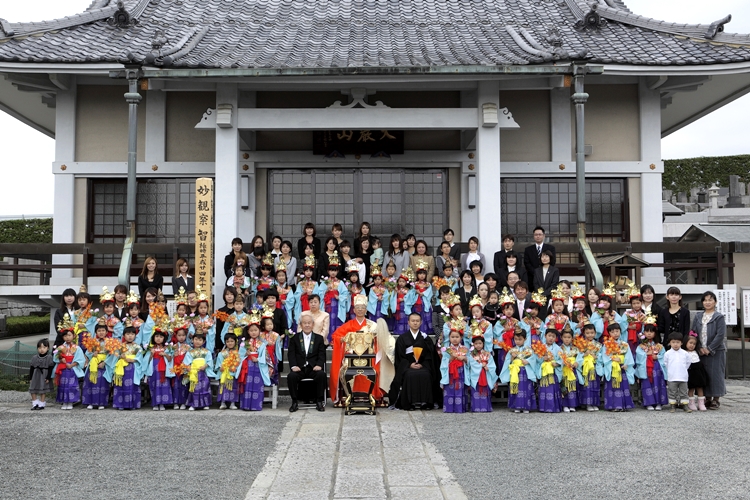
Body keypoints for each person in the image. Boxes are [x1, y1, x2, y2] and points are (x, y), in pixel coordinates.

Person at [388, 313, 437, 410]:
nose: (415, 323)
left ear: (421, 322)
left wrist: (422, 364)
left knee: (426, 374)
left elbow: (430, 356)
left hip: (423, 366)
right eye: (413, 321)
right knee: (409, 375)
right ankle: (409, 403)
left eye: (417, 321)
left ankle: (426, 402)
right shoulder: (402, 338)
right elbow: (400, 356)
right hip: (407, 366)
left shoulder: (425, 338)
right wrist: (410, 364)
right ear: (408, 322)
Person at [692, 291, 726, 410]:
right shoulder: (698, 316)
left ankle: (716, 399)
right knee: (704, 374)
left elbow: (720, 335)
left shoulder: (719, 317)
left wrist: (710, 348)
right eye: (705, 300)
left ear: (715, 302)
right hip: (701, 350)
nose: (707, 302)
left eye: (710, 300)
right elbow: (693, 332)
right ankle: (706, 398)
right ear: (702, 302)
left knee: (716, 374)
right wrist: (699, 347)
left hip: (716, 351)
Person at [288, 312, 328, 412]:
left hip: (313, 368)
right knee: (291, 376)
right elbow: (291, 354)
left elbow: (322, 354)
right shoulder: (294, 338)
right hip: (300, 368)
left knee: (321, 375)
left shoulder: (319, 338)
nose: (307, 325)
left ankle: (319, 401)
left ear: (313, 324)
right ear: (301, 325)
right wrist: (293, 366)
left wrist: (319, 365)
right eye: (304, 323)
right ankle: (294, 401)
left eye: (309, 323)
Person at [598, 324, 635, 412]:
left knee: (623, 387)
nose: (615, 333)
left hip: (622, 367)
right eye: (613, 332)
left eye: (617, 331)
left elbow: (628, 356)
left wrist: (626, 364)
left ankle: (623, 405)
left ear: (620, 332)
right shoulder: (606, 345)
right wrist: (614, 360)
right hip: (612, 368)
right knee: (612, 387)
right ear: (609, 333)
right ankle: (613, 406)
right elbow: (605, 357)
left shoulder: (624, 344)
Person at [499, 329, 538, 413]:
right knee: (515, 388)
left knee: (526, 389)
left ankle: (527, 407)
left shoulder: (529, 350)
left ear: (525, 339)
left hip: (525, 371)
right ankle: (516, 406)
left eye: (520, 339)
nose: (518, 341)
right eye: (516, 339)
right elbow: (507, 362)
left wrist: (528, 361)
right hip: (515, 372)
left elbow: (534, 359)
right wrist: (512, 358)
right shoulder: (512, 350)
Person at [106, 326, 144, 410]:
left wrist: (130, 359)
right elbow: (115, 356)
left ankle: (133, 404)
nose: (130, 336)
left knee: (132, 385)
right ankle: (120, 404)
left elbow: (140, 358)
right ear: (123, 335)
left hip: (133, 367)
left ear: (135, 335)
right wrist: (119, 356)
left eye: (132, 334)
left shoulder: (138, 347)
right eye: (127, 334)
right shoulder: (120, 346)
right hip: (121, 368)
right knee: (120, 384)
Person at [238, 317, 271, 411]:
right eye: (251, 330)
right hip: (247, 365)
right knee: (247, 385)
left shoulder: (262, 344)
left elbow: (265, 357)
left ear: (259, 331)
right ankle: (246, 405)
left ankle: (256, 405)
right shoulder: (245, 343)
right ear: (248, 331)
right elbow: (239, 355)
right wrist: (245, 354)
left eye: (255, 330)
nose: (253, 332)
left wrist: (258, 359)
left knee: (257, 386)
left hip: (258, 365)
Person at [635, 320, 668, 411]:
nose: (649, 334)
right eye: (647, 331)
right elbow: (639, 356)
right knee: (647, 384)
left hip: (657, 367)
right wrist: (647, 355)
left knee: (658, 383)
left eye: (651, 331)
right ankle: (648, 403)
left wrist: (657, 357)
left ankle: (659, 402)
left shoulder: (659, 346)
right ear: (644, 332)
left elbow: (664, 356)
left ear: (655, 333)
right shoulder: (641, 346)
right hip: (645, 367)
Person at [53, 327, 84, 410]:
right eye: (65, 336)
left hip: (72, 368)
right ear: (63, 337)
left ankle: (70, 402)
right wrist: (60, 359)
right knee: (63, 385)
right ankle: (64, 401)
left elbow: (81, 359)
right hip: (63, 368)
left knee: (72, 385)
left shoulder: (77, 348)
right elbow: (55, 358)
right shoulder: (60, 347)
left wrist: (73, 364)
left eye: (69, 335)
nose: (67, 337)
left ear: (73, 336)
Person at [82, 321, 110, 410]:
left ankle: (101, 402)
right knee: (90, 382)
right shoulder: (92, 341)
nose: (101, 332)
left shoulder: (110, 342)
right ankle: (90, 402)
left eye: (103, 330)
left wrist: (104, 362)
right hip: (93, 364)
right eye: (99, 331)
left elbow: (112, 355)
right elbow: (87, 353)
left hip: (103, 364)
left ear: (106, 332)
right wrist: (92, 355)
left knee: (103, 384)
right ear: (96, 332)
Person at [144, 326, 173, 411]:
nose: (158, 339)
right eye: (156, 336)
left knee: (164, 385)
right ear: (153, 338)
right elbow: (147, 361)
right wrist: (151, 355)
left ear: (164, 338)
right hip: (153, 370)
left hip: (163, 370)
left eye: (161, 337)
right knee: (154, 385)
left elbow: (170, 359)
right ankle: (155, 403)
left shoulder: (166, 348)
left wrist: (165, 354)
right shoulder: (151, 349)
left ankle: (163, 404)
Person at [440, 329, 469, 413]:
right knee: (449, 389)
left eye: (457, 337)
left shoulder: (464, 349)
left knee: (461, 390)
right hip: (450, 373)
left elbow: (469, 361)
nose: (455, 339)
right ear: (449, 337)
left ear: (461, 337)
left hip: (461, 372)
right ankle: (449, 408)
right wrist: (451, 358)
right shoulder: (446, 349)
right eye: (452, 337)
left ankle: (460, 408)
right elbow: (443, 362)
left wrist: (465, 358)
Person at [467, 334, 497, 412]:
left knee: (485, 392)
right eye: (476, 343)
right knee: (476, 392)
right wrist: (481, 365)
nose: (478, 345)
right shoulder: (471, 354)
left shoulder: (487, 354)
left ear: (483, 344)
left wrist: (488, 367)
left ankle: (486, 407)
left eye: (480, 343)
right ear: (473, 344)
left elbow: (492, 365)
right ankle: (476, 408)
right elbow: (471, 364)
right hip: (476, 375)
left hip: (485, 374)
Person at [184, 333, 215, 410]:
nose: (197, 341)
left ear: (203, 342)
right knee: (194, 388)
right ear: (192, 340)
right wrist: (188, 368)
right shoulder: (190, 352)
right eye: (196, 339)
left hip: (203, 372)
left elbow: (209, 361)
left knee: (205, 387)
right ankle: (193, 404)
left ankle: (205, 404)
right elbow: (186, 362)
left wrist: (205, 366)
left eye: (200, 340)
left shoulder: (206, 352)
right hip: (194, 372)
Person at [664, 332, 692, 413]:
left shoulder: (685, 353)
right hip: (672, 376)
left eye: (678, 342)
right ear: (670, 343)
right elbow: (666, 364)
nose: (675, 344)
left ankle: (685, 406)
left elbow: (688, 363)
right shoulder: (667, 353)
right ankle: (673, 405)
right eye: (673, 342)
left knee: (683, 392)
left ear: (681, 343)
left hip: (683, 377)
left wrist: (683, 369)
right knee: (672, 392)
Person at [536, 329, 563, 413]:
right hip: (544, 371)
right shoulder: (541, 347)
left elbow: (563, 359)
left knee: (553, 388)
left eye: (553, 336)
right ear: (545, 336)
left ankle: (554, 407)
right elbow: (536, 359)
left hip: (553, 371)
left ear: (556, 338)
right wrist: (542, 359)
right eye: (549, 336)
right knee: (544, 389)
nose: (551, 338)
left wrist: (557, 363)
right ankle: (543, 407)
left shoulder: (558, 348)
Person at [558, 327, 583, 412]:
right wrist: (563, 362)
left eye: (569, 337)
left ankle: (573, 405)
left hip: (573, 370)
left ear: (572, 338)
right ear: (561, 337)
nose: (567, 339)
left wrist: (576, 363)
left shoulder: (575, 348)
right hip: (564, 370)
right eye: (565, 337)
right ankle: (565, 405)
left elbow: (580, 358)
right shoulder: (559, 348)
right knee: (564, 387)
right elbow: (557, 358)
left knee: (573, 387)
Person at [578, 323, 602, 411]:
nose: (590, 335)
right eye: (587, 333)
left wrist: (597, 357)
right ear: (584, 333)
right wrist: (584, 355)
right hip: (585, 367)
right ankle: (587, 404)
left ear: (595, 333)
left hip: (594, 366)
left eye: (592, 333)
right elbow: (578, 356)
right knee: (586, 385)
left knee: (595, 385)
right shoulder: (581, 344)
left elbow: (601, 355)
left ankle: (594, 403)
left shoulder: (598, 344)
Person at [215, 333, 241, 410]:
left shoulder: (238, 353)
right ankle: (223, 402)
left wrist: (234, 367)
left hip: (233, 372)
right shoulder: (221, 353)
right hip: (224, 373)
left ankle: (232, 403)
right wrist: (221, 367)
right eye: (228, 341)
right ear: (225, 342)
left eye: (232, 341)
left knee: (233, 388)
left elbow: (239, 363)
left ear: (235, 342)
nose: (230, 343)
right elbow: (219, 363)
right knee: (223, 387)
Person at [684, 333, 708, 411]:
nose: (692, 345)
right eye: (690, 343)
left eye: (694, 344)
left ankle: (701, 403)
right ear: (685, 343)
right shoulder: (684, 353)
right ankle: (691, 402)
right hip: (690, 371)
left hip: (698, 371)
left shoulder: (696, 352)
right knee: (691, 388)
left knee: (700, 387)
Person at [29, 338, 54, 410]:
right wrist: (30, 378)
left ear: (48, 348)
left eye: (44, 347)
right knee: (32, 389)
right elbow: (32, 368)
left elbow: (50, 368)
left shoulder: (49, 357)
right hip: (35, 375)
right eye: (40, 347)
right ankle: (34, 403)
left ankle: (42, 403)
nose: (42, 349)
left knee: (43, 390)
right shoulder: (34, 357)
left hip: (44, 375)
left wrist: (48, 377)